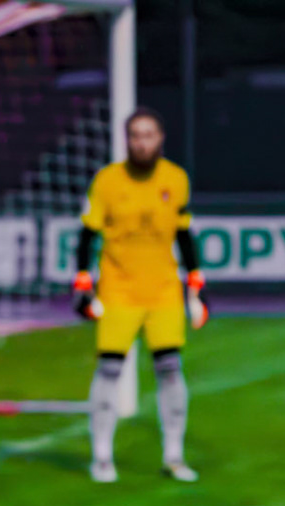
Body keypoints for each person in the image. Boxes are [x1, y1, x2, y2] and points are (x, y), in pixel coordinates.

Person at [74, 107, 209, 484]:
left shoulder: (176, 179)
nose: (142, 142)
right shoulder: (107, 181)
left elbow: (184, 234)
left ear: (160, 138)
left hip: (163, 288)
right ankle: (101, 456)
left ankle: (174, 456)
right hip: (118, 288)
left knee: (170, 368)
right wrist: (84, 284)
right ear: (126, 139)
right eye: (136, 135)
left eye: (149, 134)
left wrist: (195, 288)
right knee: (109, 368)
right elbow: (88, 234)